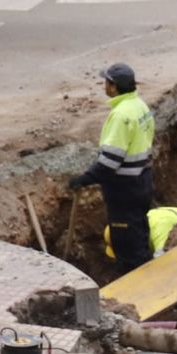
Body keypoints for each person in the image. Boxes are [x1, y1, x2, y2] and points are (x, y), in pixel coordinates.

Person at [69, 63, 155, 273]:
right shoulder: (140, 106)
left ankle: (132, 291)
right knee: (140, 238)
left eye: (106, 82)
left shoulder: (121, 116)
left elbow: (109, 162)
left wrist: (83, 179)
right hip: (142, 181)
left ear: (114, 87)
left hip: (124, 190)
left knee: (127, 248)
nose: (104, 86)